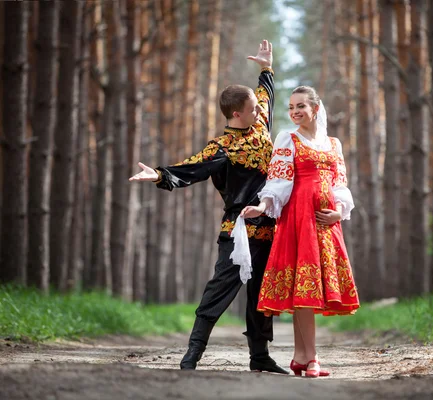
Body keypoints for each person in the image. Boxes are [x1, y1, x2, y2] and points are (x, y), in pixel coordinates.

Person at [129, 40, 287, 374]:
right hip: (238, 229)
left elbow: (266, 96)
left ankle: (260, 357)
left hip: (270, 226)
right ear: (235, 114)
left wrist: (266, 68)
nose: (260, 112)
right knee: (219, 290)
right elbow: (191, 169)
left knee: (262, 294)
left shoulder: (259, 125)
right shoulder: (221, 149)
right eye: (252, 109)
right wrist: (159, 174)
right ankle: (191, 357)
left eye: (258, 109)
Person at [240, 86, 360, 378]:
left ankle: (300, 357)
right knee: (304, 288)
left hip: (325, 223)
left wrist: (339, 212)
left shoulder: (333, 143)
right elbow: (278, 180)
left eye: (300, 107)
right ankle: (313, 358)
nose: (294, 112)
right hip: (298, 219)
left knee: (309, 288)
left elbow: (339, 183)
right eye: (291, 107)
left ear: (315, 109)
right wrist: (262, 205)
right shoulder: (288, 138)